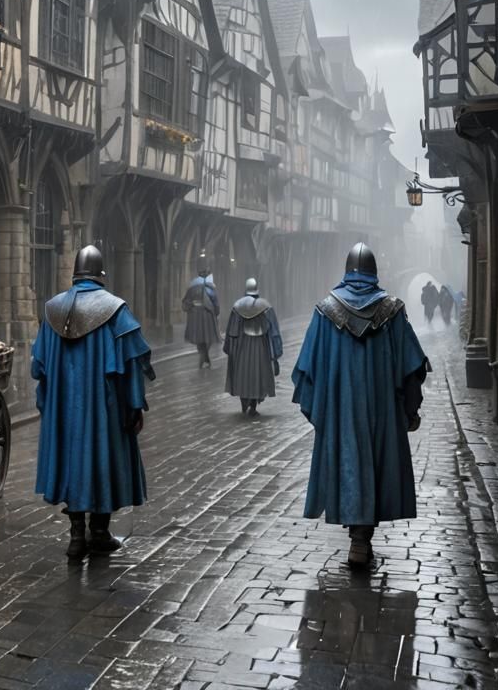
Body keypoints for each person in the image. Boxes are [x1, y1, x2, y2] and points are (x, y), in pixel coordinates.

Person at [292, 243, 429, 568]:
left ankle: (358, 539)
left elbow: (308, 371)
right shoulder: (392, 311)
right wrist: (410, 410)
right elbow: (412, 366)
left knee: (350, 465)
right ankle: (361, 539)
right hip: (382, 409)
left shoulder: (326, 311)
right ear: (373, 272)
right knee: (377, 464)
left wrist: (323, 408)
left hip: (341, 412)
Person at [32, 245, 154, 560]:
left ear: (75, 273)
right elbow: (130, 365)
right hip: (105, 407)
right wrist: (135, 405)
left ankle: (76, 536)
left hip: (64, 409)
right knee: (103, 459)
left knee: (74, 460)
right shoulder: (116, 310)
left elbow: (39, 368)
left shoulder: (52, 310)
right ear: (101, 274)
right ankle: (98, 532)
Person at [223, 278, 283, 416]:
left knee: (243, 373)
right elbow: (274, 332)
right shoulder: (266, 306)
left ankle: (244, 402)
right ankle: (253, 406)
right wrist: (277, 354)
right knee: (258, 374)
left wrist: (228, 348)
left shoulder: (237, 306)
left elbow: (231, 331)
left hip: (242, 348)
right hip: (260, 348)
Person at [182, 255, 220, 368]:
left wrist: (191, 306)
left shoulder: (192, 285)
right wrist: (216, 313)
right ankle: (204, 356)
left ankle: (204, 356)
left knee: (199, 338)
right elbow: (215, 301)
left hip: (194, 314)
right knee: (209, 337)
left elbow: (186, 300)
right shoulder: (210, 286)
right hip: (207, 314)